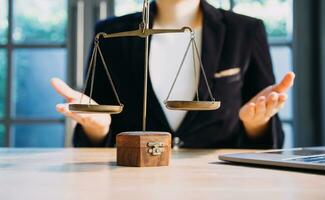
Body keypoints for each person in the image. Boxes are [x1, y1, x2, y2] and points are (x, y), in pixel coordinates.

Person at [51, 0, 295, 148]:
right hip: (132, 181)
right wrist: (97, 128)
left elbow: (269, 141)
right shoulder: (110, 34)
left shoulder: (245, 31)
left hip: (218, 181)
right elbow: (94, 131)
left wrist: (257, 123)